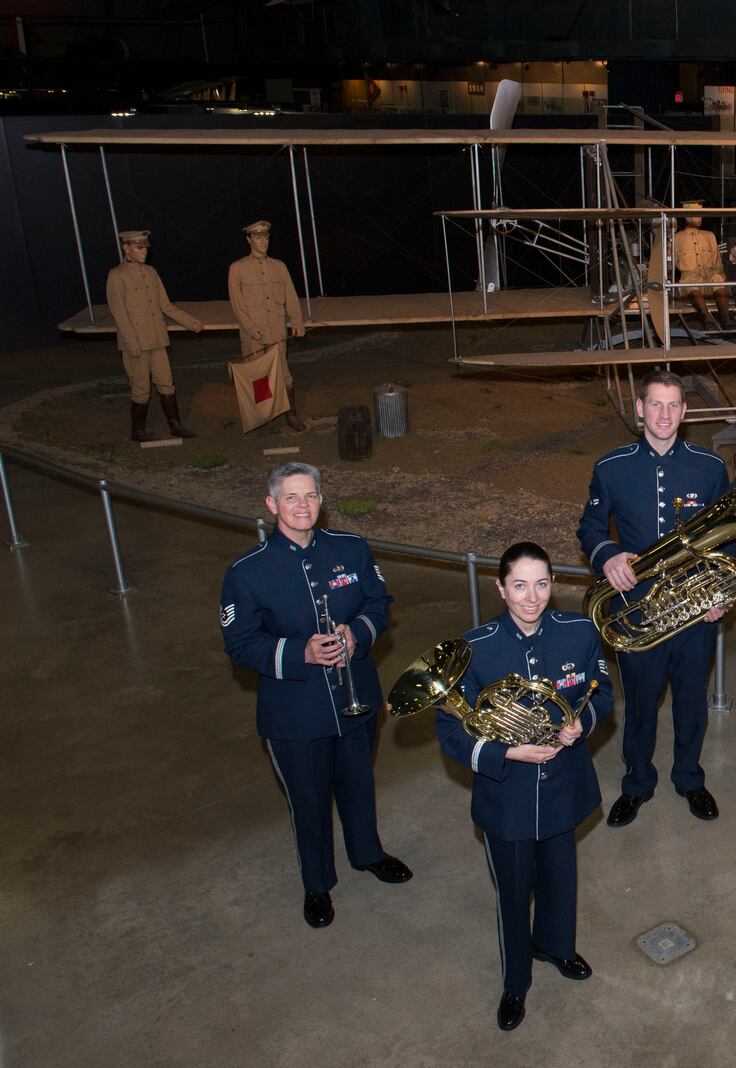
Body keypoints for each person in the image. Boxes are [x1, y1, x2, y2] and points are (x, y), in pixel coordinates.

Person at [218, 462, 411, 929]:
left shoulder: (352, 548)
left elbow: (377, 604)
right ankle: (317, 884)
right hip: (294, 713)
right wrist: (298, 651)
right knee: (308, 800)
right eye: (291, 497)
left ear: (321, 502)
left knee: (358, 783)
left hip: (356, 697)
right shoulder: (246, 573)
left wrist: (357, 637)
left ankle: (367, 853)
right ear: (271, 505)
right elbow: (240, 644)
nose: (302, 506)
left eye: (310, 496)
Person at [438, 542, 613, 1032]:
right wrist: (507, 752)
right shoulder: (474, 647)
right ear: (500, 588)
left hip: (563, 785)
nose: (532, 597)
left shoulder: (579, 631)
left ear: (553, 584)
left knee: (561, 880)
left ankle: (556, 946)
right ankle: (515, 982)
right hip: (507, 796)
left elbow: (603, 694)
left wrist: (582, 723)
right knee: (513, 894)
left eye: (541, 584)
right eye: (519, 585)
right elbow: (449, 731)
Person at [578, 369, 730, 827]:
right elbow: (589, 529)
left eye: (673, 405)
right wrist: (606, 556)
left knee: (690, 701)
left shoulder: (709, 467)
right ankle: (637, 783)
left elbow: (726, 538)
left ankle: (690, 778)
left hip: (693, 611)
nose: (664, 414)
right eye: (655, 404)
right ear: (639, 408)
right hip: (636, 611)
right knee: (640, 704)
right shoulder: (611, 466)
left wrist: (719, 594)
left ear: (684, 413)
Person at [104, 228, 204, 442]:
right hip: (136, 342)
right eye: (139, 248)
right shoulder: (116, 276)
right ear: (126, 248)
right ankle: (138, 431)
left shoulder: (151, 272)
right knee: (141, 387)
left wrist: (189, 321)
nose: (144, 252)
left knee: (166, 383)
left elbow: (165, 305)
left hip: (157, 339)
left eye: (145, 248)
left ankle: (175, 425)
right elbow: (119, 314)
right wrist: (131, 342)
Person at [227, 220, 308, 431]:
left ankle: (291, 415)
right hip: (253, 335)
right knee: (259, 377)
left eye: (266, 237)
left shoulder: (278, 267)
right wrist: (252, 329)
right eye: (258, 237)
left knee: (284, 374)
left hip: (277, 332)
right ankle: (264, 419)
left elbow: (290, 296)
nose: (263, 242)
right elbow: (238, 305)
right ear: (249, 240)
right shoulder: (237, 269)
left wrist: (297, 323)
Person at [673, 201, 730, 332]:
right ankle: (707, 319)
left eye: (700, 215)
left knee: (717, 278)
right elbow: (670, 267)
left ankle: (726, 319)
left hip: (708, 282)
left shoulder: (709, 236)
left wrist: (719, 275)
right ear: (687, 217)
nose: (700, 218)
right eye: (696, 215)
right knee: (690, 282)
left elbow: (717, 263)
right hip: (689, 286)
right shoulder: (677, 238)